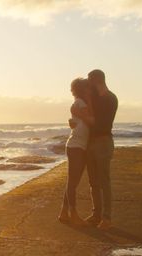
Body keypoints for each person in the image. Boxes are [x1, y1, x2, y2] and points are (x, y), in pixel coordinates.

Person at [78, 69, 118, 230]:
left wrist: (81, 115)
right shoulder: (94, 98)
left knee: (104, 181)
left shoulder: (110, 98)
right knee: (93, 182)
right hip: (91, 142)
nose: (88, 86)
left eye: (90, 82)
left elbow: (99, 123)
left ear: (96, 81)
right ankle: (96, 214)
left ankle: (106, 218)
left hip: (103, 141)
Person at [58, 78, 94, 225]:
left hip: (78, 145)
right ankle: (72, 214)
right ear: (83, 89)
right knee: (73, 182)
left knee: (73, 182)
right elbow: (91, 120)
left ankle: (64, 213)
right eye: (87, 88)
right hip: (76, 146)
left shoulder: (78, 103)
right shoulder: (81, 103)